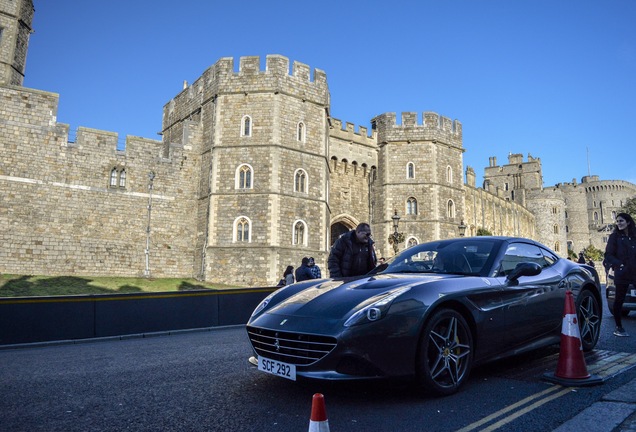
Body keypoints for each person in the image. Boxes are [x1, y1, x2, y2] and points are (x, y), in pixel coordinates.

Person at [604, 212, 636, 337]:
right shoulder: (614, 237)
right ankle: (618, 327)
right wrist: (620, 265)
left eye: (621, 221)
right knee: (619, 300)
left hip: (635, 272)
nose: (619, 223)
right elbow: (608, 255)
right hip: (622, 273)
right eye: (617, 221)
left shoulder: (634, 236)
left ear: (628, 222)